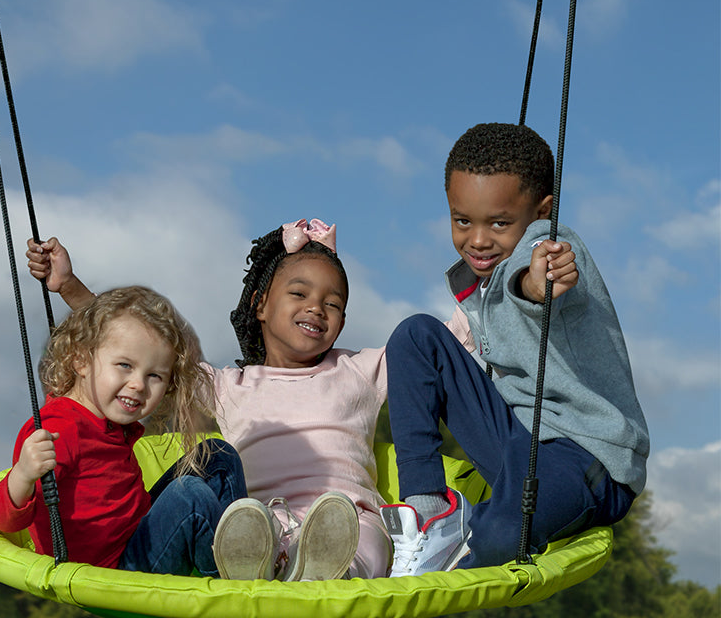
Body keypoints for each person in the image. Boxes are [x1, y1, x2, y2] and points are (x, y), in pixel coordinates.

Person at [26, 220, 458, 580]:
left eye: (334, 303)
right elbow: (133, 345)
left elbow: (446, 341)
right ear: (260, 305)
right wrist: (69, 287)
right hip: (264, 521)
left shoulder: (360, 368)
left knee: (366, 536)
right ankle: (258, 567)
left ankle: (336, 574)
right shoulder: (229, 385)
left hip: (346, 518)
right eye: (299, 294)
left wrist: (500, 269)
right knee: (218, 459)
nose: (317, 308)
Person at [380, 122, 650, 576]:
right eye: (462, 220)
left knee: (502, 536)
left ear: (543, 212)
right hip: (516, 441)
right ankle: (426, 512)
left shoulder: (554, 248)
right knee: (415, 335)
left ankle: (470, 536)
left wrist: (537, 282)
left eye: (499, 223)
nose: (478, 239)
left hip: (584, 456)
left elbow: (531, 276)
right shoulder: (481, 280)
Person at [0, 286, 247, 577]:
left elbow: (109, 327)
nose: (138, 384)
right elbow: (3, 521)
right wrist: (22, 474)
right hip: (115, 571)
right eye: (125, 365)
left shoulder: (108, 419)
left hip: (139, 536)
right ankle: (234, 576)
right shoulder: (59, 430)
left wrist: (68, 282)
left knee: (217, 455)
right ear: (81, 360)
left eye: (154, 376)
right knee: (190, 495)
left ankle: (245, 549)